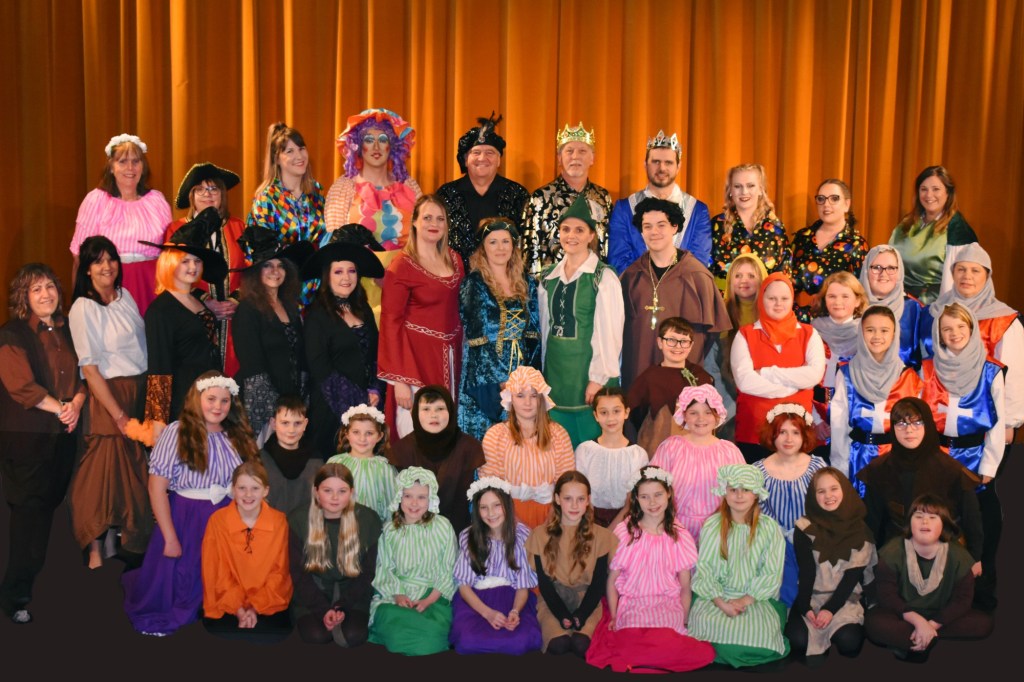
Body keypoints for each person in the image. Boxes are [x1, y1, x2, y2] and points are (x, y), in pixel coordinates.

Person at [122, 372, 259, 635]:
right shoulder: (178, 432)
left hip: (223, 517)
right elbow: (156, 488)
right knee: (182, 574)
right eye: (211, 399)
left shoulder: (233, 435)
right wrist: (170, 537)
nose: (218, 406)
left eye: (225, 401)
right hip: (187, 517)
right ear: (197, 398)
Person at [0, 264, 85, 623]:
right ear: (24, 297)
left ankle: (43, 588)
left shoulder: (70, 330)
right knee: (27, 520)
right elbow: (21, 387)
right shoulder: (12, 333)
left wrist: (77, 402)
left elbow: (85, 374)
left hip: (62, 437)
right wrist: (63, 408)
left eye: (50, 286)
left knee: (51, 512)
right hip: (28, 439)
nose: (46, 294)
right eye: (36, 289)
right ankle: (14, 596)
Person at [67, 237, 151, 569]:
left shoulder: (125, 296)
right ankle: (94, 549)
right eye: (98, 261)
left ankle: (118, 541)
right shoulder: (82, 307)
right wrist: (117, 415)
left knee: (130, 472)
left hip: (138, 390)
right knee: (101, 474)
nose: (107, 266)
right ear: (86, 269)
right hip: (108, 396)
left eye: (111, 259)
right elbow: (89, 369)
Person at [586, 466, 716, 673]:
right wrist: (614, 615)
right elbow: (612, 580)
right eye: (645, 497)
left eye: (658, 495)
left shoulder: (679, 535)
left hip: (667, 604)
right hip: (634, 604)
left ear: (669, 493)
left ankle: (650, 658)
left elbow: (685, 586)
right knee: (631, 642)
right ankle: (649, 658)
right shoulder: (625, 532)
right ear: (636, 499)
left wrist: (684, 618)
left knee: (666, 642)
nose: (652, 502)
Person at [922, 303, 1005, 609]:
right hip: (937, 456)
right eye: (947, 328)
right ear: (938, 334)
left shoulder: (990, 370)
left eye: (960, 327)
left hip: (974, 456)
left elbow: (997, 423)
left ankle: (979, 590)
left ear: (971, 329)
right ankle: (935, 592)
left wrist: (989, 465)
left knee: (977, 523)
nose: (954, 333)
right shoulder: (928, 368)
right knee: (938, 522)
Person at [538, 194, 624, 446]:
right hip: (556, 374)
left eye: (579, 230)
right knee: (559, 444)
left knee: (590, 442)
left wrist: (598, 377)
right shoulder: (548, 277)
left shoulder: (602, 277)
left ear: (591, 235)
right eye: (565, 229)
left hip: (588, 375)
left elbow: (610, 332)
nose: (571, 235)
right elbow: (545, 330)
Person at [865, 495, 993, 662]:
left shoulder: (959, 556)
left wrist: (931, 625)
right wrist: (918, 621)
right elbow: (887, 596)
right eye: (918, 516)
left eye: (933, 517)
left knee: (983, 624)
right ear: (910, 523)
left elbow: (962, 600)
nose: (925, 522)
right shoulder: (893, 550)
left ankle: (920, 637)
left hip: (940, 614)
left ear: (944, 524)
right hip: (903, 614)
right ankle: (924, 638)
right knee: (874, 624)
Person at [619, 197, 730, 388]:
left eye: (661, 225)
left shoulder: (697, 276)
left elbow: (711, 334)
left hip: (682, 377)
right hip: (638, 371)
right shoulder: (631, 276)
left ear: (674, 227)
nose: (654, 232)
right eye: (647, 226)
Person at [378, 195, 465, 439]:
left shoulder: (455, 259)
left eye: (440, 218)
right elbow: (390, 322)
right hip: (415, 359)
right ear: (414, 222)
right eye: (427, 217)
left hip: (451, 355)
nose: (434, 223)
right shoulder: (401, 266)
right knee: (416, 428)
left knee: (446, 424)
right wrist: (399, 380)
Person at [857, 398, 983, 564]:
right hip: (895, 556)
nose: (909, 430)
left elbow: (972, 522)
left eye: (917, 423)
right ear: (892, 428)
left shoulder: (952, 471)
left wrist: (974, 559)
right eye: (900, 423)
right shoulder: (879, 469)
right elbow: (870, 524)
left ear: (928, 425)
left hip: (943, 555)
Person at [688, 464, 789, 668]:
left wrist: (745, 600)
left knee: (758, 635)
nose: (739, 495)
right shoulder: (713, 525)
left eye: (746, 489)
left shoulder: (769, 528)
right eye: (733, 489)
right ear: (724, 492)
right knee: (709, 626)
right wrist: (721, 602)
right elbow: (705, 569)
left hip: (754, 598)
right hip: (716, 596)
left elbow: (771, 573)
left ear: (756, 494)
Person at [301, 232, 386, 457]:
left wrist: (375, 388)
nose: (346, 278)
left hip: (369, 409)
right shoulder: (316, 315)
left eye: (351, 271)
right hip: (330, 409)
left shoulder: (363, 308)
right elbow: (319, 367)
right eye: (338, 272)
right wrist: (358, 400)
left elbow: (376, 352)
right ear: (327, 276)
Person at [928, 244, 1023, 445]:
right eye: (961, 269)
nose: (967, 276)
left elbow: (1015, 378)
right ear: (952, 273)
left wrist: (1008, 423)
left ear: (987, 275)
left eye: (975, 270)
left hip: (983, 423)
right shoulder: (935, 312)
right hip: (937, 419)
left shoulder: (1003, 321)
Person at [458, 217, 541, 441]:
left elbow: (533, 335)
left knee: (521, 438)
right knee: (489, 438)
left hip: (521, 370)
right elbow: (477, 339)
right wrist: (500, 383)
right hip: (486, 375)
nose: (500, 248)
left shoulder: (527, 282)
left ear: (513, 245)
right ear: (483, 247)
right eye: (493, 242)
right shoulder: (474, 283)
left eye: (505, 241)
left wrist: (529, 375)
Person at [70, 133, 172, 315]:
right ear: (111, 167)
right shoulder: (96, 200)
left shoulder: (157, 200)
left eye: (136, 161)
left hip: (152, 284)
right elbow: (80, 256)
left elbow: (170, 251)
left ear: (143, 166)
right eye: (122, 161)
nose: (130, 168)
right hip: (111, 283)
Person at [141, 222, 228, 428]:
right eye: (185, 261)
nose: (193, 267)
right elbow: (159, 369)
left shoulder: (197, 301)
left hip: (208, 400)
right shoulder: (160, 310)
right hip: (182, 403)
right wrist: (158, 424)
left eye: (197, 261)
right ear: (170, 263)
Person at [731, 273, 825, 463]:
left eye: (784, 298)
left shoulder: (809, 333)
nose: (778, 304)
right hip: (754, 434)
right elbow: (745, 381)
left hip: (797, 434)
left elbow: (814, 375)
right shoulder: (745, 334)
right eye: (772, 298)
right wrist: (792, 389)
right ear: (761, 299)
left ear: (792, 300)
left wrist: (767, 372)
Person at [165, 162, 247, 374]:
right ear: (191, 196)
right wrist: (205, 301)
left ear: (222, 194)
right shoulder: (176, 230)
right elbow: (169, 275)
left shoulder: (239, 227)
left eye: (213, 188)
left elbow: (251, 270)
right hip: (192, 320)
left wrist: (234, 300)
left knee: (234, 382)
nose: (207, 194)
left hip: (234, 320)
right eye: (199, 189)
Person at [787, 467, 875, 664]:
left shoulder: (860, 529)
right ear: (814, 496)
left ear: (845, 490)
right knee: (797, 641)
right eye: (821, 491)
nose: (828, 496)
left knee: (849, 641)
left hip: (845, 598)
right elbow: (807, 571)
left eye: (834, 489)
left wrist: (830, 609)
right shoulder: (804, 527)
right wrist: (806, 607)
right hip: (812, 595)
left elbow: (851, 578)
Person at [831, 306, 923, 494]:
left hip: (896, 461)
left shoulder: (908, 377)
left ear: (894, 334)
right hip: (859, 459)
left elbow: (917, 429)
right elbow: (839, 426)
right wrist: (840, 469)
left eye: (884, 330)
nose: (877, 336)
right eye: (870, 330)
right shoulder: (847, 374)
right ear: (861, 332)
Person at [526, 471, 619, 657]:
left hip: (587, 601)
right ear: (557, 499)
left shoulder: (602, 536)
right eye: (568, 498)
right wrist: (561, 614)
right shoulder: (540, 535)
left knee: (580, 644)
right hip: (553, 601)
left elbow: (598, 583)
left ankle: (581, 626)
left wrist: (581, 614)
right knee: (558, 645)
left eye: (580, 499)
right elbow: (544, 584)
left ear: (588, 500)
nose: (574, 505)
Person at [233, 225, 313, 438]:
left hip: (292, 405)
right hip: (262, 407)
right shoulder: (247, 309)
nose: (275, 271)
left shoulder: (291, 307)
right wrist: (276, 410)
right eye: (267, 265)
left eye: (280, 265)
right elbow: (252, 366)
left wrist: (298, 402)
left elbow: (300, 356)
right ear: (256, 271)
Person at [369, 467, 458, 656]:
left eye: (421, 497)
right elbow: (384, 568)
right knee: (394, 629)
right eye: (408, 496)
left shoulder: (443, 526)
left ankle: (428, 634)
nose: (414, 503)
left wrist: (428, 600)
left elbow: (449, 568)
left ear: (430, 498)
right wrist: (398, 595)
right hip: (397, 595)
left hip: (434, 595)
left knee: (432, 634)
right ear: (399, 497)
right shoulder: (389, 530)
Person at [290, 463, 381, 647]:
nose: (335, 497)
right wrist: (323, 609)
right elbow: (298, 574)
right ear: (316, 491)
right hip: (314, 590)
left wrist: (342, 606)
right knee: (317, 635)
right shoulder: (298, 519)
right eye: (327, 490)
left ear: (351, 492)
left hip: (353, 590)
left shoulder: (368, 519)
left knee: (354, 635)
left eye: (342, 491)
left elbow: (368, 572)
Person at [200, 460, 292, 641]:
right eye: (242, 488)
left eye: (255, 488)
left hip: (268, 601)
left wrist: (255, 608)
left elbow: (279, 572)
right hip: (226, 600)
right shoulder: (217, 521)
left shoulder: (279, 521)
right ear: (233, 490)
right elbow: (216, 571)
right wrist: (239, 609)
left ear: (266, 491)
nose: (248, 495)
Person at [450, 478, 542, 655]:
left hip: (512, 597)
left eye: (496, 505)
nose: (491, 513)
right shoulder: (469, 537)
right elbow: (464, 586)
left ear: (507, 505)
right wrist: (488, 613)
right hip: (476, 601)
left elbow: (522, 586)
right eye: (483, 507)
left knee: (520, 641)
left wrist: (515, 611)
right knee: (467, 640)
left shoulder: (522, 536)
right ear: (477, 510)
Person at [480, 367, 575, 528]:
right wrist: (514, 523)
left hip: (552, 514)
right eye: (520, 395)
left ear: (541, 399)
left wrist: (551, 521)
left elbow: (566, 482)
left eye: (533, 396)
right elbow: (491, 484)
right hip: (507, 514)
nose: (528, 402)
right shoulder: (495, 436)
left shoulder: (559, 434)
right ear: (510, 398)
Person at [752, 405, 827, 606]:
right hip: (772, 544)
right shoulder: (758, 471)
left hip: (811, 541)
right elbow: (753, 513)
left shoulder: (816, 467)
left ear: (804, 436)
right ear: (772, 434)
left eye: (795, 432)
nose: (788, 439)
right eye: (782, 432)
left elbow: (827, 508)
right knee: (780, 590)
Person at [650, 385, 743, 545]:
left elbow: (741, 492)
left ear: (717, 414)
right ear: (684, 415)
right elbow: (653, 487)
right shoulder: (671, 448)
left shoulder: (729, 452)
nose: (701, 419)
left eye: (708, 412)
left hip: (718, 530)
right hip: (676, 529)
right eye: (694, 413)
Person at [608, 130, 713, 271]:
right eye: (656, 162)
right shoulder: (624, 208)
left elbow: (698, 264)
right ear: (645, 165)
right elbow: (618, 261)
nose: (662, 168)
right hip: (635, 285)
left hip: (684, 286)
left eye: (668, 162)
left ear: (678, 166)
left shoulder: (697, 210)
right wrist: (650, 282)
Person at [247, 122, 325, 305]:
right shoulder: (266, 199)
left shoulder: (316, 195)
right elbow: (259, 253)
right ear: (276, 159)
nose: (299, 156)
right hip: (283, 290)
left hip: (318, 289)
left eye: (301, 148)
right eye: (290, 151)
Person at [436, 113, 530, 266]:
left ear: (499, 160)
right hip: (456, 275)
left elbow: (526, 244)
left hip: (505, 277)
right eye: (476, 152)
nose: (482, 158)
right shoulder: (446, 194)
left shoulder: (517, 194)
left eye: (489, 153)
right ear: (465, 160)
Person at [521, 122, 614, 276]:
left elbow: (609, 247)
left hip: (595, 283)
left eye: (582, 151)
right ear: (559, 158)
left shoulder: (602, 198)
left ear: (592, 158)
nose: (575, 156)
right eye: (569, 151)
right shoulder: (540, 199)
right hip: (552, 285)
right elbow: (530, 252)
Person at [324, 108, 422, 252]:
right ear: (358, 145)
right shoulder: (343, 187)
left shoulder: (408, 184)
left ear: (392, 145)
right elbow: (337, 242)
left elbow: (423, 232)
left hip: (406, 264)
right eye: (369, 140)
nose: (376, 147)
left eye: (383, 140)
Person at [388, 386, 483, 532]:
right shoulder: (401, 450)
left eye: (440, 409)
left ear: (451, 411)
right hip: (413, 534)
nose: (433, 415)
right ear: (415, 413)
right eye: (426, 409)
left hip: (457, 533)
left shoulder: (469, 447)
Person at [889, 165, 978, 304]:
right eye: (923, 189)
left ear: (948, 192)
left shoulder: (957, 231)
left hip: (931, 306)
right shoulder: (907, 223)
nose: (929, 195)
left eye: (936, 189)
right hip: (897, 299)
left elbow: (962, 281)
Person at [626, 317, 715, 455]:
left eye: (684, 341)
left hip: (696, 449)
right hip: (659, 446)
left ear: (691, 345)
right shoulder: (649, 377)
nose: (678, 346)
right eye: (671, 340)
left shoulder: (701, 376)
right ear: (660, 342)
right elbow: (634, 414)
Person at [790, 179, 868, 319]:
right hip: (795, 319)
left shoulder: (856, 244)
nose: (826, 204)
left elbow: (859, 292)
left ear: (847, 204)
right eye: (821, 199)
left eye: (834, 199)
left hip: (833, 322)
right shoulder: (802, 237)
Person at [574, 388, 649, 526]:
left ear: (626, 412)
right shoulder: (585, 451)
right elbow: (581, 494)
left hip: (625, 522)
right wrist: (593, 530)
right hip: (589, 521)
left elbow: (632, 502)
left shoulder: (638, 455)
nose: (610, 418)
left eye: (616, 411)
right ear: (596, 415)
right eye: (604, 412)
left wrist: (610, 533)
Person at [709, 164, 791, 289]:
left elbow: (783, 274)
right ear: (730, 191)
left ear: (761, 189)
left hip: (764, 298)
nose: (744, 192)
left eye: (751, 186)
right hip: (723, 299)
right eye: (737, 186)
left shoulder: (775, 228)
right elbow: (705, 270)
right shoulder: (717, 225)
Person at [714, 253, 769, 441]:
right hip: (729, 409)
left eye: (751, 276)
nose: (743, 280)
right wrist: (729, 407)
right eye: (738, 275)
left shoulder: (772, 317)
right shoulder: (719, 316)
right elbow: (712, 367)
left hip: (765, 406)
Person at [809, 271, 869, 426]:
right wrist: (816, 420)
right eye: (832, 296)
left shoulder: (867, 333)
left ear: (857, 301)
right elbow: (805, 380)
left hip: (855, 414)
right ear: (824, 299)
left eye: (845, 296)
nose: (838, 302)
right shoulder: (811, 331)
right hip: (818, 414)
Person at [859, 244, 931, 370]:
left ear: (900, 272)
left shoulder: (914, 309)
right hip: (856, 379)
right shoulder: (852, 307)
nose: (883, 274)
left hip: (904, 380)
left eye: (891, 268)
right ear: (866, 271)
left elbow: (928, 360)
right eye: (876, 267)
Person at [260, 395, 323, 533]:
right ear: (273, 423)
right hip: (269, 532)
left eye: (297, 423)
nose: (291, 430)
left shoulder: (316, 462)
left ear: (305, 424)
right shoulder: (260, 460)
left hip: (306, 532)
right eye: (285, 423)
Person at [326, 403, 397, 523]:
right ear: (347, 434)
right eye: (356, 432)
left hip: (374, 530)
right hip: (340, 527)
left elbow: (392, 506)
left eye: (369, 433)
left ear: (379, 436)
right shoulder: (335, 463)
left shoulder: (385, 469)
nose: (362, 439)